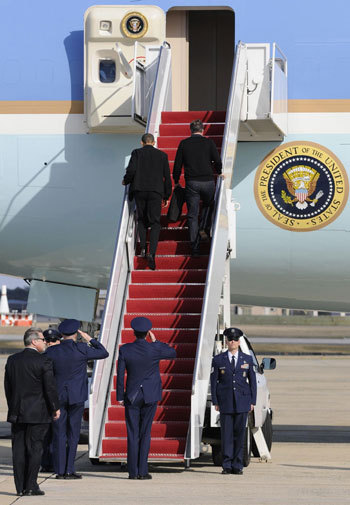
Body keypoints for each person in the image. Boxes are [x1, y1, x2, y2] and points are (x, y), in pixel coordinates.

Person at [46, 319, 109, 479]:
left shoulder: (52, 351)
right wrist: (90, 339)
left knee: (59, 433)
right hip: (76, 396)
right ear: (76, 333)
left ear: (61, 335)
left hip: (58, 396)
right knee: (73, 433)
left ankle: (59, 471)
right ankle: (69, 469)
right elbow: (104, 352)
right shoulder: (81, 349)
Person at [117, 316, 177, 480]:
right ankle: (143, 471)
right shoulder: (154, 349)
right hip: (150, 394)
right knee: (145, 432)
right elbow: (173, 353)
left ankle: (132, 472)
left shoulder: (125, 349)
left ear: (134, 332)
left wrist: (120, 396)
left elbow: (121, 374)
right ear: (147, 333)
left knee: (132, 433)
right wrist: (156, 341)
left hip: (132, 395)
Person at [4, 327, 60, 496]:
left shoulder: (13, 360)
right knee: (35, 449)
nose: (45, 342)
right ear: (34, 341)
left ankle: (20, 487)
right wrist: (55, 407)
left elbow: (8, 387)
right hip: (38, 413)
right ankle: (31, 486)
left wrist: (13, 406)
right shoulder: (44, 361)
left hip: (18, 412)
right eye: (43, 340)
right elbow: (49, 388)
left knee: (19, 450)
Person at [173, 119, 223, 256]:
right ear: (203, 130)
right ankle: (204, 227)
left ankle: (195, 248)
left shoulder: (184, 144)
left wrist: (176, 180)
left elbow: (177, 165)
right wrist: (219, 172)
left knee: (192, 215)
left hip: (192, 183)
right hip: (207, 181)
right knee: (209, 204)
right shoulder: (209, 142)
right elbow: (217, 161)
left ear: (191, 130)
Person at [210, 327, 257, 475]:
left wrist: (252, 401)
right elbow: (214, 382)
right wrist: (215, 401)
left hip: (242, 402)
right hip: (226, 402)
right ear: (226, 341)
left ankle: (238, 465)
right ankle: (227, 465)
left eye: (235, 339)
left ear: (239, 341)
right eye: (230, 339)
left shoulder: (247, 359)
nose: (232, 342)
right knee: (227, 436)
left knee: (240, 435)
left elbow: (253, 382)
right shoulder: (218, 360)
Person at [122, 132, 172, 270]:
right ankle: (152, 253)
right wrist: (167, 196)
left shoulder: (136, 153)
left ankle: (143, 248)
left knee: (142, 220)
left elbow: (131, 170)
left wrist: (125, 180)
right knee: (155, 223)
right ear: (154, 142)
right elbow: (167, 177)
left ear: (142, 142)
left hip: (140, 190)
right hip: (156, 192)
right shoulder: (162, 156)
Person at [40, 328, 62, 473]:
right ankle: (54, 462)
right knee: (58, 432)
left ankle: (46, 462)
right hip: (59, 398)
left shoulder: (43, 356)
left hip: (44, 399)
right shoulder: (63, 354)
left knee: (46, 433)